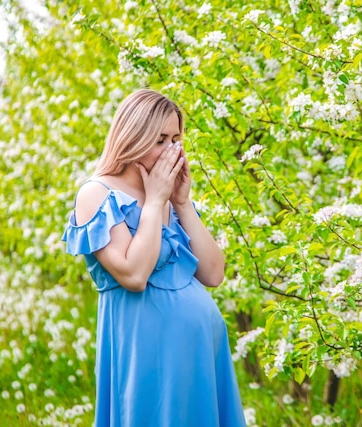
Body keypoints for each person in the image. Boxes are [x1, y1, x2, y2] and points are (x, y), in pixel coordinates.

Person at [62, 89, 246, 427]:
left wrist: (181, 202)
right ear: (133, 136)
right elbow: (134, 275)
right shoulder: (97, 193)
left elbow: (214, 273)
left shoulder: (167, 195)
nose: (171, 150)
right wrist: (155, 201)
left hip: (200, 352)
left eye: (176, 138)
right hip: (147, 351)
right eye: (160, 139)